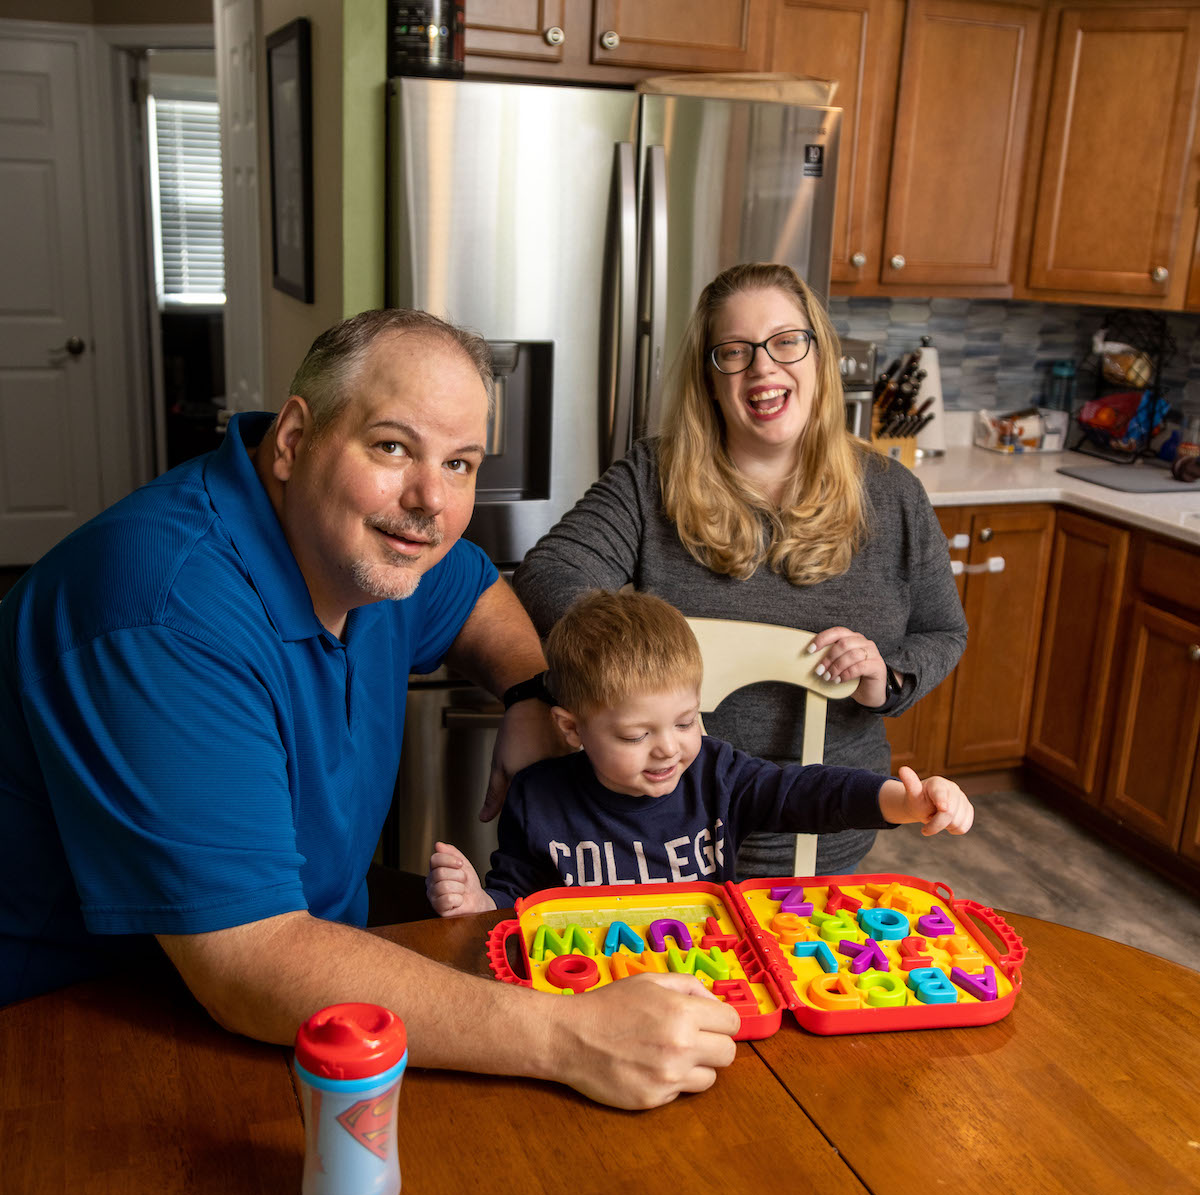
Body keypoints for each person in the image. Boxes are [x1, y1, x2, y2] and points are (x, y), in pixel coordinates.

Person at [0, 308, 740, 1110]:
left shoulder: (372, 549)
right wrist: (568, 1037)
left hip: (307, 963)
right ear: (291, 441)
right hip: (79, 1019)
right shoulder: (165, 611)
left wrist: (532, 690)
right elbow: (248, 960)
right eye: (393, 447)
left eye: (460, 463)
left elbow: (474, 588)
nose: (429, 500)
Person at [513, 262, 968, 878]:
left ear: (820, 354)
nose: (763, 369)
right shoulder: (654, 478)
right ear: (710, 375)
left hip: (827, 838)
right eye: (735, 351)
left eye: (786, 342)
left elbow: (945, 631)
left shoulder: (893, 493)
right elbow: (548, 572)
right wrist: (635, 656)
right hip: (665, 846)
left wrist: (885, 678)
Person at [427, 590, 973, 915]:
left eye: (687, 721)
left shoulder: (718, 773)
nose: (669, 748)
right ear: (573, 730)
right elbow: (515, 895)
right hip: (587, 996)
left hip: (709, 977)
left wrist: (900, 802)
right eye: (636, 736)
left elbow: (807, 791)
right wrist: (481, 903)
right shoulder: (537, 796)